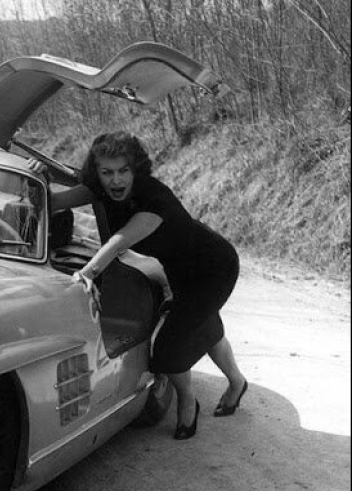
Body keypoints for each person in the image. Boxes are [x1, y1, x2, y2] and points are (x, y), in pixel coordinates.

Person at [33, 131, 248, 440]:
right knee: (201, 322)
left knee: (166, 353)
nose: (115, 180)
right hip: (178, 270)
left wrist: (87, 273)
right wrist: (37, 177)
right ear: (97, 172)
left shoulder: (153, 198)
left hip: (213, 268)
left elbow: (121, 241)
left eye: (123, 171)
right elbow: (53, 202)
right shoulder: (99, 188)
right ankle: (237, 382)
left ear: (135, 169)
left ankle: (188, 402)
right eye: (107, 172)